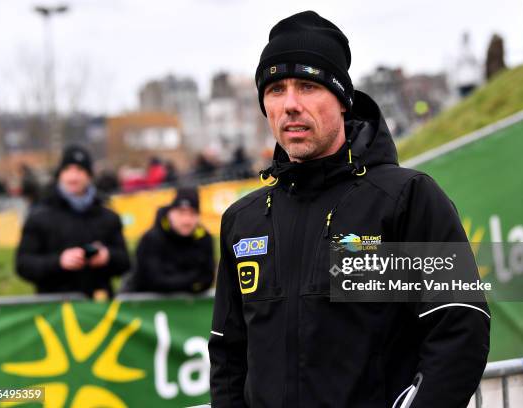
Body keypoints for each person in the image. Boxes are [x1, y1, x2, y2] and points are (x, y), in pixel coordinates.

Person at [209, 11, 490, 408]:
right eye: (275, 90)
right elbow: (227, 354)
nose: (290, 105)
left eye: (307, 86)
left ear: (342, 100)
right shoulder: (243, 220)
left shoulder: (406, 198)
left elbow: (460, 326)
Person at [16, 145, 130, 299]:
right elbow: (23, 264)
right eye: (67, 170)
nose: (73, 176)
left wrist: (107, 257)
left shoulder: (108, 216)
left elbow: (126, 262)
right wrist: (58, 262)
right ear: (60, 174)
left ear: (89, 176)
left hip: (98, 305)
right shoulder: (39, 215)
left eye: (80, 170)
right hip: (54, 308)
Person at [131, 187, 215, 293]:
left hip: (189, 306)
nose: (186, 220)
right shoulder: (151, 238)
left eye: (192, 214)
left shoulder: (204, 238)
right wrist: (192, 280)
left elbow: (207, 279)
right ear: (170, 212)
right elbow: (153, 280)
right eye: (181, 213)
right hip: (149, 306)